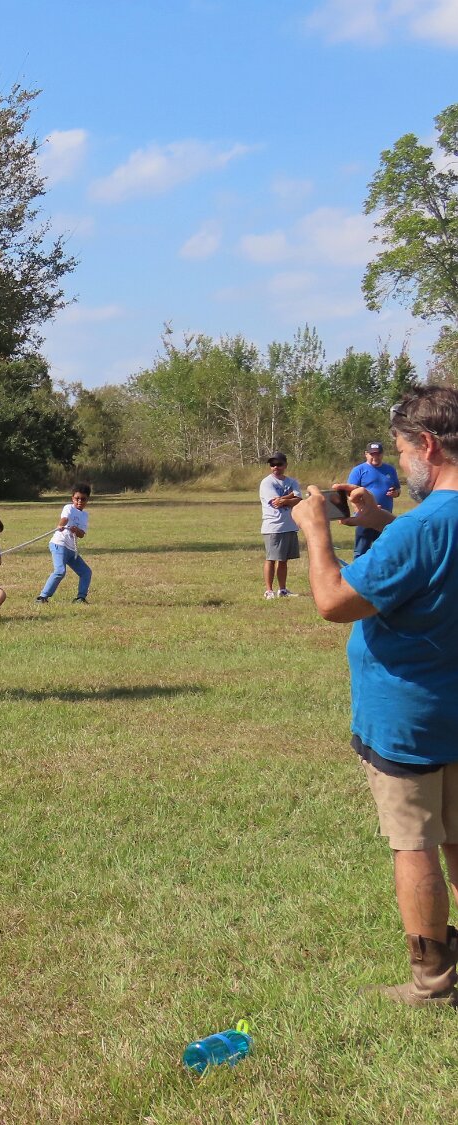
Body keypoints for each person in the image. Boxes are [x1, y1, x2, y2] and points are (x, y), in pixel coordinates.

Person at [292, 385, 458, 1007]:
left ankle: (432, 984)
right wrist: (379, 523)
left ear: (428, 445)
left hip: (409, 717)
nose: (400, 462)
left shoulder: (420, 527)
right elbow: (435, 553)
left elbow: (336, 601)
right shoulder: (418, 527)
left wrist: (317, 531)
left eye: (401, 449)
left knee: (415, 845)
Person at [36, 484, 92, 604]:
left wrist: (76, 530)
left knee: (86, 572)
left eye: (83, 499)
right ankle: (42, 597)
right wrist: (61, 525)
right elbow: (65, 518)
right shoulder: (68, 508)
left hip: (71, 549)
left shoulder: (85, 515)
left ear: (87, 500)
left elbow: (82, 534)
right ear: (72, 498)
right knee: (60, 571)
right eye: (77, 498)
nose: (79, 501)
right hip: (59, 544)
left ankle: (81, 598)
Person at [259, 452, 301, 599]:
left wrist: (288, 499)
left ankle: (282, 590)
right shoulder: (267, 483)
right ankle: (269, 591)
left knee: (283, 560)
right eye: (272, 464)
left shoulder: (292, 481)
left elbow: (299, 500)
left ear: (285, 465)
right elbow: (276, 503)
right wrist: (290, 496)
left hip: (290, 525)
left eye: (279, 464)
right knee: (271, 559)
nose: (275, 467)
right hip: (273, 527)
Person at [348, 441, 401, 558]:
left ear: (382, 454)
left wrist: (395, 493)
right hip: (365, 516)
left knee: (383, 550)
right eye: (372, 454)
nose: (375, 457)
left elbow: (397, 489)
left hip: (384, 517)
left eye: (378, 454)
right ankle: (359, 569)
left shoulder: (390, 469)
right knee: (361, 550)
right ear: (366, 454)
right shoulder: (359, 470)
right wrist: (359, 510)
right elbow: (350, 493)